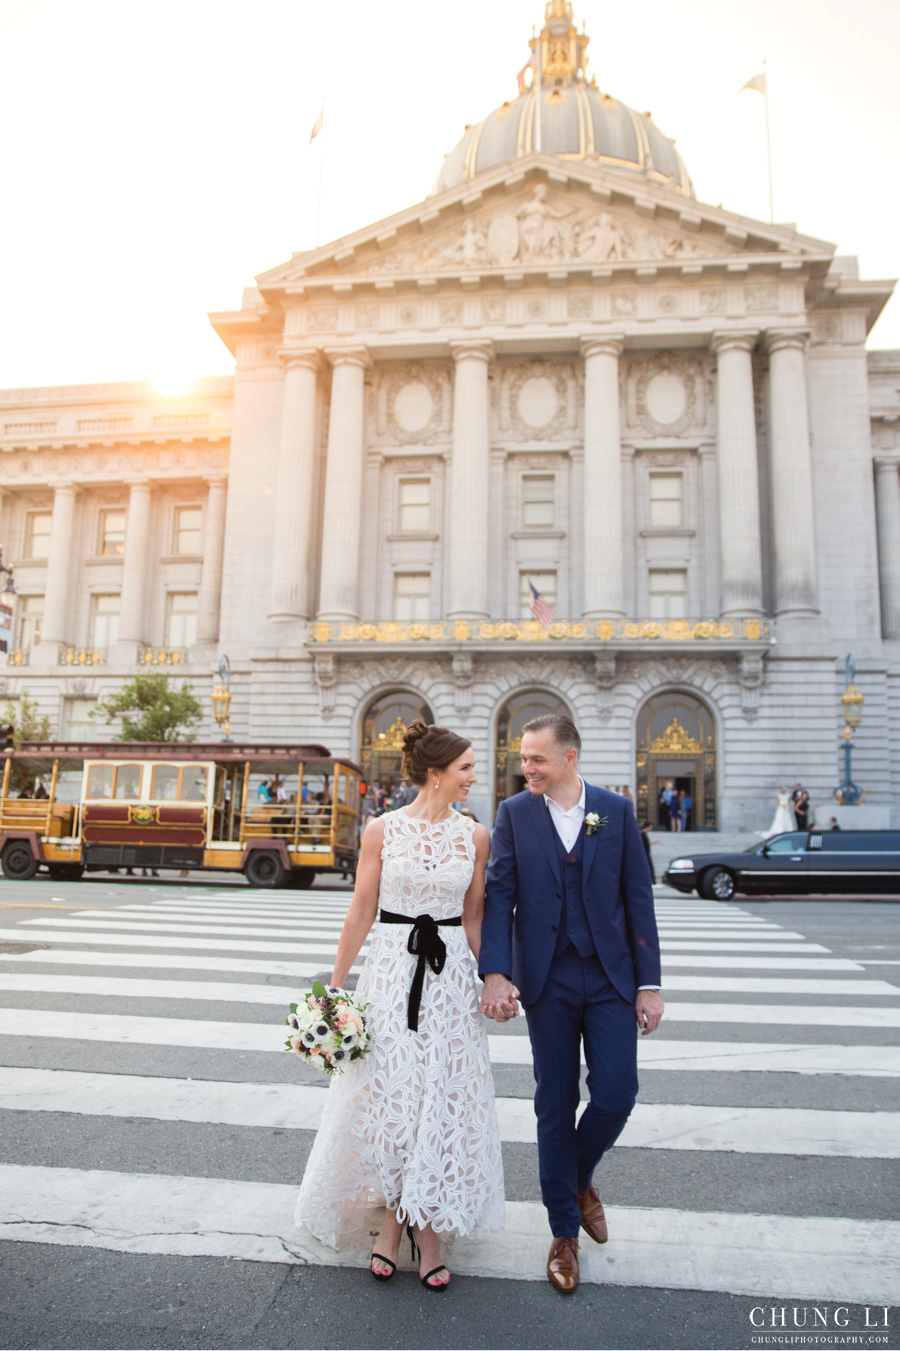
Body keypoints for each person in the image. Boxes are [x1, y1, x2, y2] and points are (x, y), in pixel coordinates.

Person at [295, 722, 504, 1288]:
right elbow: (361, 909)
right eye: (465, 768)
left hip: (451, 979)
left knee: (441, 1096)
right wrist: (335, 990)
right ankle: (394, 1222)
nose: (473, 777)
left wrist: (494, 979)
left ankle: (426, 1225)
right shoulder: (380, 830)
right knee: (395, 1096)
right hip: (391, 972)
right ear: (436, 773)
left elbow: (475, 917)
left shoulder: (476, 837)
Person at [479, 714, 663, 1294]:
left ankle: (578, 1177)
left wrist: (649, 983)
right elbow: (500, 893)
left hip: (610, 976)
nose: (525, 767)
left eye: (536, 758)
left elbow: (638, 897)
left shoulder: (614, 809)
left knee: (616, 1093)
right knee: (554, 1105)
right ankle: (563, 1232)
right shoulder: (513, 813)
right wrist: (495, 972)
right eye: (523, 758)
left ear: (570, 757)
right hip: (546, 979)